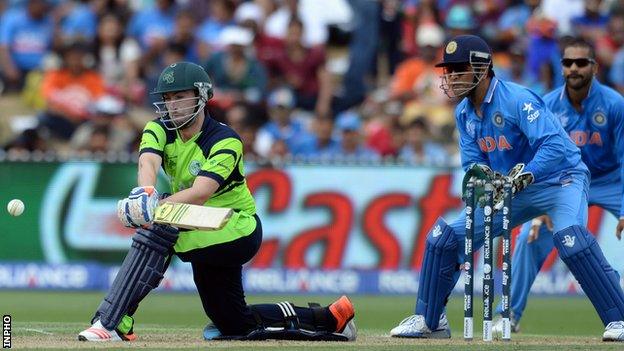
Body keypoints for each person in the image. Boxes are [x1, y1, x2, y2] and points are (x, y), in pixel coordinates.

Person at [77, 62, 356, 342]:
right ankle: (332, 318)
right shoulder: (158, 128)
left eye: (180, 97)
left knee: (158, 228)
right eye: (168, 99)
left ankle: (111, 320)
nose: (172, 106)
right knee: (233, 323)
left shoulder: (225, 140)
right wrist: (145, 194)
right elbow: (148, 159)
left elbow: (201, 192)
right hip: (195, 223)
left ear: (201, 96)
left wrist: (155, 208)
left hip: (234, 226)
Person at [389, 34, 624, 342]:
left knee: (570, 239)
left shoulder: (517, 99)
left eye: (460, 68)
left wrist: (527, 174)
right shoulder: (463, 113)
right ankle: (430, 320)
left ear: (483, 69)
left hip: (560, 179)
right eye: (449, 70)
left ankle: (618, 320)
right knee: (442, 238)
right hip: (510, 189)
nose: (451, 76)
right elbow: (473, 164)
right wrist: (485, 180)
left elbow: (554, 145)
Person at [492, 38, 624, 336]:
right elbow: (531, 157)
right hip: (564, 181)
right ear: (560, 67)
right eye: (567, 63)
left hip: (610, 181)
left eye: (581, 63)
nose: (573, 68)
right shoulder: (546, 104)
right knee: (529, 235)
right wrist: (539, 209)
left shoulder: (615, 104)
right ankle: (510, 315)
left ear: (594, 66)